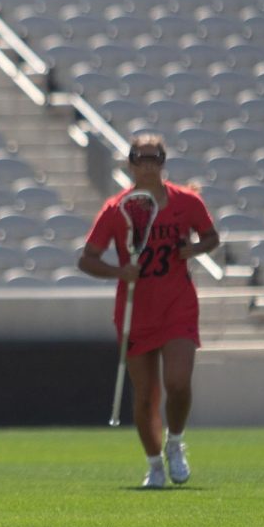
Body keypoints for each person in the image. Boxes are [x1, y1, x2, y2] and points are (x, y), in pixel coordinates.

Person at [77, 133, 219, 489]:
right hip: (136, 309)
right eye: (141, 158)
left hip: (178, 304)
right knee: (145, 398)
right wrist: (118, 271)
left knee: (178, 383)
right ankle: (154, 464)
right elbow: (86, 259)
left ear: (163, 162)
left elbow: (212, 237)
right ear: (130, 163)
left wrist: (194, 250)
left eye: (154, 158)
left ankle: (175, 442)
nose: (147, 165)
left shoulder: (187, 202)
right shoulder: (117, 208)